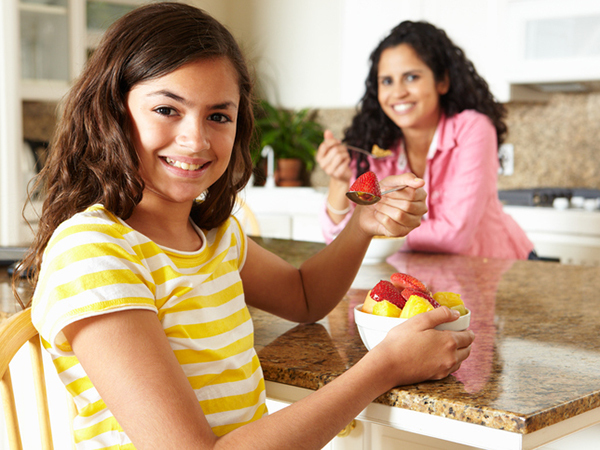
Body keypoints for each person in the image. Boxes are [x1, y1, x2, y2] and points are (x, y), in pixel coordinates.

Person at [13, 4, 474, 449]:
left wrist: (362, 223)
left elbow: (305, 297)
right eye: (167, 109)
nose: (195, 139)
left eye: (219, 115)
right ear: (113, 112)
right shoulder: (94, 252)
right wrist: (383, 368)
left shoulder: (212, 237)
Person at [317, 20, 534, 260]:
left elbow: (453, 236)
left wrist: (374, 232)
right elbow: (337, 239)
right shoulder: (376, 144)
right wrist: (338, 181)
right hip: (428, 275)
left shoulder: (473, 128)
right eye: (387, 81)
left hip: (501, 269)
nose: (398, 92)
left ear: (442, 82)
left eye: (411, 77)